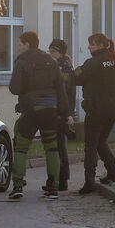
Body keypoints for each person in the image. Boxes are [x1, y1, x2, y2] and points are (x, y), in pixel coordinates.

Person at [7, 31, 73, 200]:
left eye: (20, 43)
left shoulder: (21, 61)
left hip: (30, 110)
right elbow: (61, 90)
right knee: (52, 148)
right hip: (51, 110)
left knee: (21, 147)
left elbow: (14, 88)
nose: (18, 47)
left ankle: (18, 185)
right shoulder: (51, 61)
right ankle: (53, 188)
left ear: (28, 44)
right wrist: (66, 114)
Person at [73, 33, 115, 194]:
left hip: (96, 110)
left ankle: (89, 181)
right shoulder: (113, 61)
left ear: (100, 45)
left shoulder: (92, 63)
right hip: (111, 110)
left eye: (91, 44)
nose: (88, 47)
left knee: (91, 146)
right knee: (101, 141)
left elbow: (75, 78)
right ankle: (112, 171)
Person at [47, 39, 76, 191]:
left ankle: (62, 180)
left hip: (62, 111)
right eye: (49, 51)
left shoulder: (64, 67)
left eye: (53, 52)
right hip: (57, 110)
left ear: (61, 53)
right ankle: (56, 179)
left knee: (59, 146)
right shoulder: (57, 65)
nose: (50, 54)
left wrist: (66, 113)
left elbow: (63, 90)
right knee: (56, 145)